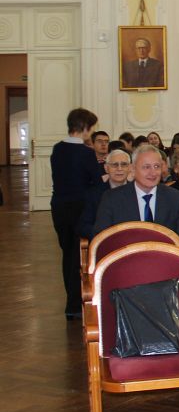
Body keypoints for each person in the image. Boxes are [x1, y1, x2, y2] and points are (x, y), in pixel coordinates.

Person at [50, 108, 104, 319]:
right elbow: (96, 182)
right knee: (79, 257)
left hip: (59, 207)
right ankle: (75, 304)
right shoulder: (86, 153)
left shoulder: (57, 149)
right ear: (85, 127)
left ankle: (71, 303)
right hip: (79, 208)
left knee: (67, 254)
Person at [94, 144, 179, 250]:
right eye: (146, 167)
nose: (153, 173)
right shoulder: (112, 199)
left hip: (166, 258)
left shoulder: (176, 199)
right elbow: (102, 240)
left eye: (157, 166)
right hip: (125, 257)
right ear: (132, 169)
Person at [78, 149, 130, 240]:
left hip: (134, 243)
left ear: (130, 167)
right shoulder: (93, 194)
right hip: (106, 242)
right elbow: (83, 226)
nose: (119, 168)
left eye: (124, 164)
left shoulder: (138, 191)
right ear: (106, 168)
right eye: (115, 165)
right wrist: (105, 236)